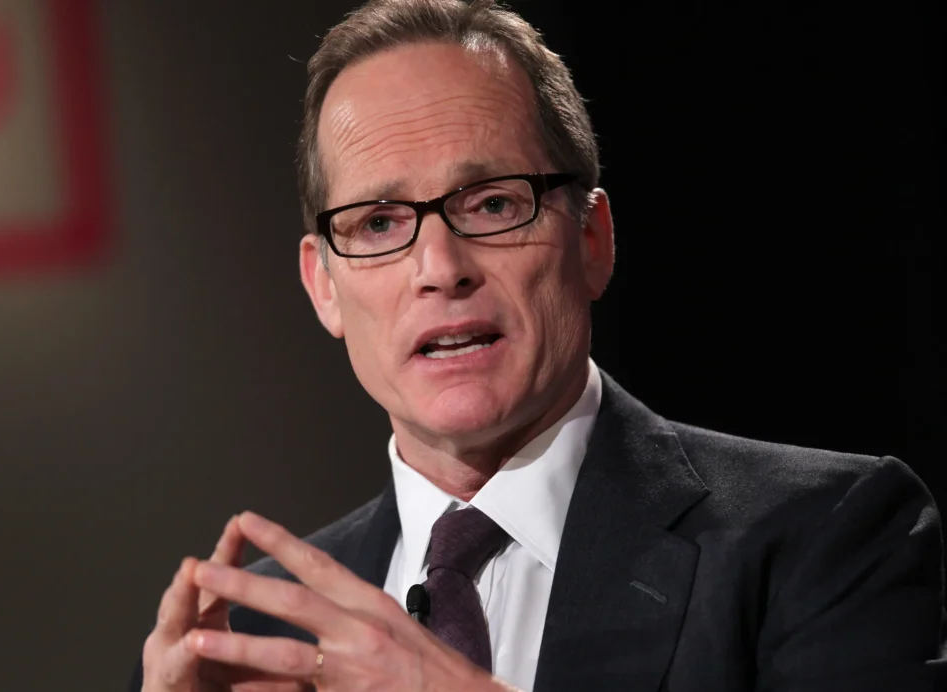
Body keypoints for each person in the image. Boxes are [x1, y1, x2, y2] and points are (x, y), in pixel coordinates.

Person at [130, 1, 947, 690]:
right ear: (324, 286)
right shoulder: (255, 634)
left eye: (491, 204)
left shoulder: (823, 538)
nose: (440, 268)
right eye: (378, 223)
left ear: (592, 239)